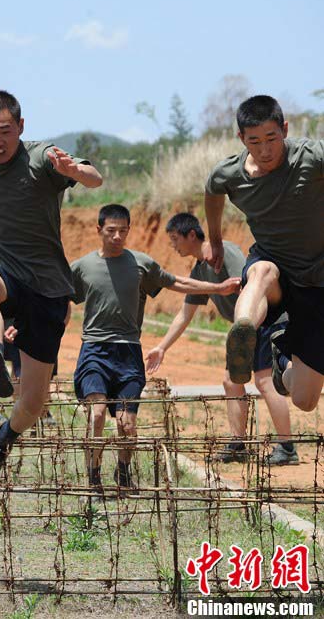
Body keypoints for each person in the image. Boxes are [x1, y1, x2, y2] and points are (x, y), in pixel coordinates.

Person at [0, 89, 104, 482]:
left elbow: (95, 178)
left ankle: (4, 437)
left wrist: (74, 172)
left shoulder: (42, 158)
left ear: (20, 126)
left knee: (33, 402)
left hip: (48, 286)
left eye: (4, 131)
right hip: (5, 271)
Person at [70, 205, 241, 491]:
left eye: (123, 231)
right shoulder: (82, 266)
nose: (117, 237)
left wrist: (218, 288)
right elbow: (56, 295)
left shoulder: (141, 264)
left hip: (128, 353)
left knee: (127, 424)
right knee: (97, 413)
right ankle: (93, 477)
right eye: (111, 231)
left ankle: (123, 473)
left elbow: (178, 282)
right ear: (98, 230)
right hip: (94, 350)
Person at [147, 213, 297, 465]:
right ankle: (238, 443)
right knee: (231, 381)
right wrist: (162, 347)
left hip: (263, 320)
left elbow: (250, 282)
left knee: (264, 382)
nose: (173, 245)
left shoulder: (226, 251)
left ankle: (287, 448)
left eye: (175, 239)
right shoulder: (199, 269)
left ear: (191, 235)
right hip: (243, 330)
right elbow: (185, 315)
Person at [205, 95, 324, 412]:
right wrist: (215, 240)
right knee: (261, 272)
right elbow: (213, 191)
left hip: (316, 282)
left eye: (272, 138)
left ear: (284, 129)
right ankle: (243, 331)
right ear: (241, 138)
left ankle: (281, 362)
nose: (265, 149)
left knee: (305, 399)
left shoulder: (311, 156)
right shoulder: (229, 173)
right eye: (255, 141)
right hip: (273, 266)